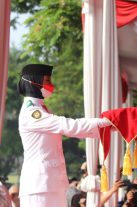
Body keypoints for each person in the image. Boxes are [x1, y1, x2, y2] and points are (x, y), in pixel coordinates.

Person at [17, 64, 112, 207]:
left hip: (51, 184)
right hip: (39, 187)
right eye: (47, 81)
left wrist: (111, 127)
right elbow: (69, 126)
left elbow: (76, 131)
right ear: (33, 82)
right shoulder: (31, 113)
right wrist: (108, 122)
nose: (51, 85)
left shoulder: (41, 109)